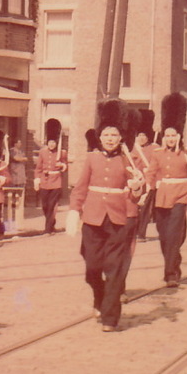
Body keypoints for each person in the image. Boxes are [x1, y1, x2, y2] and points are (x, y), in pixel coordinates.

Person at [66, 99, 144, 332]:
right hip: (92, 218)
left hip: (118, 219)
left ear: (121, 137)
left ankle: (110, 317)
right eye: (106, 134)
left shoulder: (130, 159)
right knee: (92, 267)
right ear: (100, 137)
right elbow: (81, 187)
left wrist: (137, 186)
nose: (110, 138)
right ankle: (99, 297)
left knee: (114, 268)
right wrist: (73, 211)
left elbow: (137, 192)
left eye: (114, 134)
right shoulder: (92, 158)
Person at [145, 94, 187, 288]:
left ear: (179, 136)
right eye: (168, 135)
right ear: (163, 137)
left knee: (173, 234)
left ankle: (170, 273)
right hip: (161, 196)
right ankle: (175, 261)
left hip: (181, 195)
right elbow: (151, 172)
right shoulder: (158, 154)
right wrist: (148, 185)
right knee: (164, 236)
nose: (171, 139)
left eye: (174, 135)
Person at [34, 118, 67, 234]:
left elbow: (66, 166)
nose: (51, 144)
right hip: (44, 180)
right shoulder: (43, 152)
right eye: (49, 142)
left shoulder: (61, 153)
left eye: (53, 142)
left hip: (56, 181)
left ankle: (47, 229)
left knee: (52, 205)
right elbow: (38, 167)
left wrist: (61, 165)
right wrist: (37, 180)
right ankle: (51, 223)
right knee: (45, 205)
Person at [132, 110, 158, 241]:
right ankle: (133, 231)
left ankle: (141, 233)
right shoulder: (132, 148)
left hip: (149, 182)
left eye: (144, 135)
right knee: (134, 208)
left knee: (145, 209)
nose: (142, 138)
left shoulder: (155, 148)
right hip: (135, 181)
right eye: (139, 135)